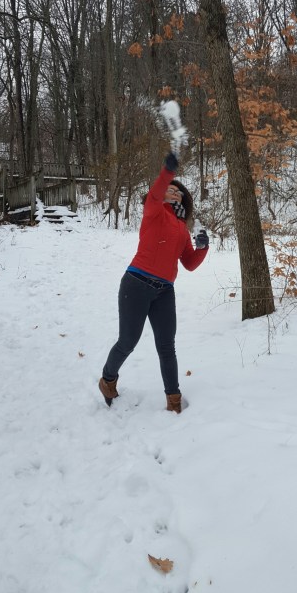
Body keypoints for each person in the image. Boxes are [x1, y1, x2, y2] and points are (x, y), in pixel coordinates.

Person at [99, 152, 209, 413]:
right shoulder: (154, 210)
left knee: (167, 346)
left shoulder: (182, 229)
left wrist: (202, 247)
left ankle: (174, 400)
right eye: (170, 189)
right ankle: (108, 380)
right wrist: (167, 173)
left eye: (178, 192)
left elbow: (189, 263)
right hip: (136, 283)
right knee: (128, 341)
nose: (174, 192)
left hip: (164, 291)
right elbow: (156, 194)